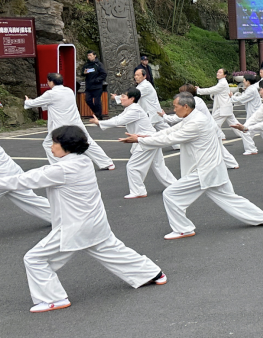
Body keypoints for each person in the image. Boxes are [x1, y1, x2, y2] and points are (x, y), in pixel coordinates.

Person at [1, 126, 166, 312]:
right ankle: (152, 273)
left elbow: (21, 181)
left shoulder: (61, 169)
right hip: (94, 223)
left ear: (66, 146)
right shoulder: (84, 161)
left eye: (55, 142)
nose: (51, 146)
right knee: (111, 250)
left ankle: (53, 298)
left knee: (35, 259)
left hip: (74, 227)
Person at [122, 92, 263, 239]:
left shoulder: (196, 122)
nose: (174, 110)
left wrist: (139, 141)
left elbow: (170, 139)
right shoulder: (193, 118)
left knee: (171, 194)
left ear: (186, 106)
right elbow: (170, 131)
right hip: (211, 168)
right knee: (229, 198)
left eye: (175, 107)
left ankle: (183, 229)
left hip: (204, 170)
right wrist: (146, 136)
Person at [89, 88, 176, 199]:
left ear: (132, 98)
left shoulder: (134, 110)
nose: (121, 98)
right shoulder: (131, 108)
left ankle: (138, 191)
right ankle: (174, 186)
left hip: (146, 140)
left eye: (124, 96)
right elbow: (118, 118)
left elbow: (119, 121)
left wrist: (99, 122)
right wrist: (100, 123)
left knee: (133, 166)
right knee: (159, 166)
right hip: (150, 138)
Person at [24, 73, 115, 170]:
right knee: (87, 142)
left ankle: (58, 166)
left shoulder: (50, 94)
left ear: (51, 82)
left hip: (61, 127)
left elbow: (34, 103)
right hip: (75, 123)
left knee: (48, 144)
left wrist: (27, 101)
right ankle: (107, 163)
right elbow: (51, 104)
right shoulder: (69, 91)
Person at [197, 68, 259, 155]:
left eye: (220, 72)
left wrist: (199, 90)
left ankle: (217, 137)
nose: (218, 73)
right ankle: (233, 136)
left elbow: (211, 90)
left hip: (224, 108)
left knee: (213, 123)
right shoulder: (222, 83)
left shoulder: (222, 83)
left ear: (224, 75)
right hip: (226, 107)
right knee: (236, 125)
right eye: (217, 72)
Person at [0, 143, 52, 223]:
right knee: (31, 201)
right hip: (11, 171)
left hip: (5, 176)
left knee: (30, 200)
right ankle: (64, 217)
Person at [231, 73, 263, 154]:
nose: (243, 81)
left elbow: (241, 99)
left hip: (255, 114)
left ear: (248, 81)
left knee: (245, 131)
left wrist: (232, 97)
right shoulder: (250, 89)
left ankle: (251, 149)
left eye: (244, 80)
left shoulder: (251, 90)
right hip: (256, 113)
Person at [80, 51, 107, 119]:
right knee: (88, 100)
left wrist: (97, 80)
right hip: (89, 86)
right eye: (88, 55)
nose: (89, 57)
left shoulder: (99, 64)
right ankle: (96, 113)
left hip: (97, 86)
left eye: (90, 55)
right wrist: (84, 73)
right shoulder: (86, 65)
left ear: (95, 55)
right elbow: (82, 73)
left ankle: (99, 115)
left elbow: (104, 74)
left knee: (97, 101)